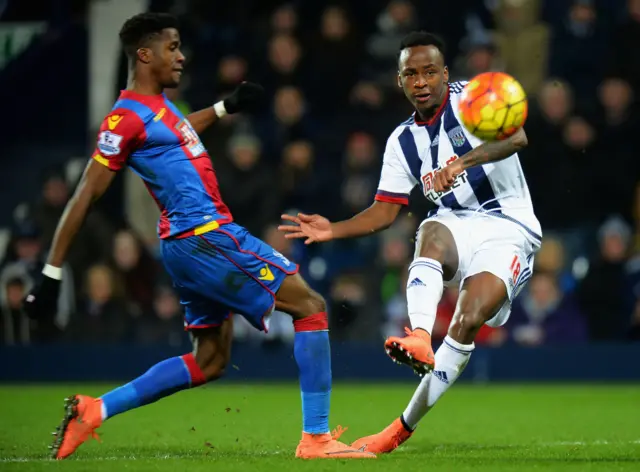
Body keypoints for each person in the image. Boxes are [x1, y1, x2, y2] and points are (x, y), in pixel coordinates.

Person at [24, 13, 373, 461]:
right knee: (310, 306)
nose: (182, 56)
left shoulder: (163, 109)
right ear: (145, 54)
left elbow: (183, 131)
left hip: (188, 244)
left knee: (210, 361)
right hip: (204, 236)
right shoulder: (123, 119)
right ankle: (317, 439)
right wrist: (52, 272)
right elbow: (85, 193)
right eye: (172, 48)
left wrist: (226, 108)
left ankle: (95, 410)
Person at [279, 31, 541, 453]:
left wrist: (463, 161)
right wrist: (333, 229)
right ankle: (419, 335)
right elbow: (384, 212)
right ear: (400, 81)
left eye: (429, 72)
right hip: (456, 222)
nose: (421, 81)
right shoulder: (401, 142)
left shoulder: (472, 100)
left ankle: (398, 429)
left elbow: (517, 137)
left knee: (467, 319)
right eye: (411, 74)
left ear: (445, 74)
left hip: (509, 224)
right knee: (430, 230)